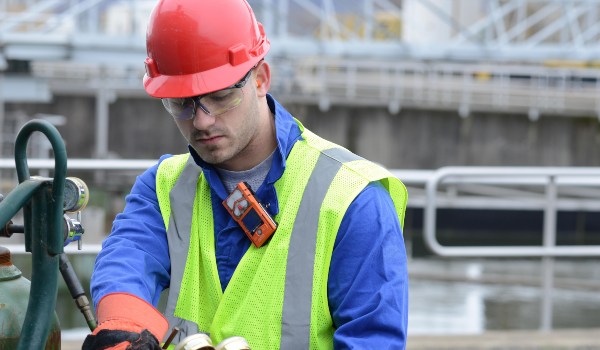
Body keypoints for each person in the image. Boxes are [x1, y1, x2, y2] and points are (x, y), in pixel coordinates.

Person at [82, 0, 409, 349]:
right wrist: (125, 327)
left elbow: (373, 339)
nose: (202, 120)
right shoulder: (163, 187)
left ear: (260, 80)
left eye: (221, 97)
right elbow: (126, 261)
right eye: (182, 103)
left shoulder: (353, 199)